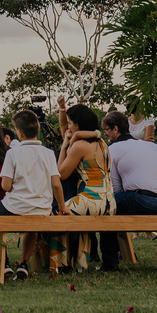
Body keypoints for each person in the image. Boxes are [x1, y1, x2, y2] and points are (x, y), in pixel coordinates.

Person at [93, 111, 157, 270]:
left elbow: (115, 190)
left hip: (150, 200)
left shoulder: (113, 150)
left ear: (115, 129)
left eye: (106, 130)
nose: (106, 135)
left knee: (107, 204)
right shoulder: (152, 146)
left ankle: (110, 263)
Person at [0, 109, 68, 280]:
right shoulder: (48, 154)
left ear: (19, 133)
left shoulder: (12, 153)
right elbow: (56, 184)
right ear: (38, 129)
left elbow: (5, 186)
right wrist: (62, 207)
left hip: (15, 206)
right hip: (41, 208)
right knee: (32, 226)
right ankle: (23, 264)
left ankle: (3, 263)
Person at [50, 99, 114, 271]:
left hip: (92, 201)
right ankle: (80, 262)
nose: (68, 127)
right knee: (72, 209)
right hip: (109, 202)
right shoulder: (103, 143)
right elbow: (66, 127)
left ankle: (62, 264)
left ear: (78, 124)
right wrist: (63, 111)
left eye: (71, 124)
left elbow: (61, 174)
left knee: (58, 212)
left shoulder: (79, 146)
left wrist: (64, 146)